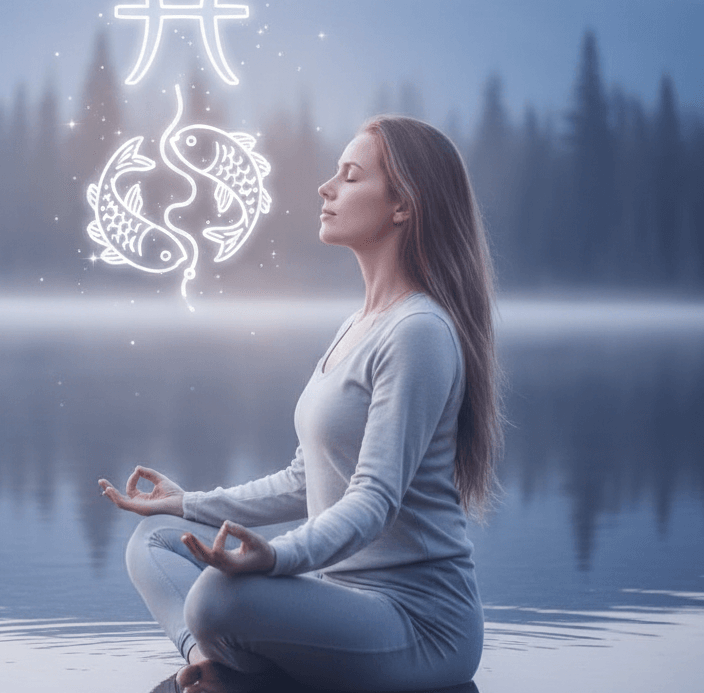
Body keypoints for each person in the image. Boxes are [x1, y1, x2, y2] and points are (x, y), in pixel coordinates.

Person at [99, 115, 503, 693]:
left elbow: (374, 500)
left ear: (403, 206)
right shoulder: (358, 325)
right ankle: (213, 665)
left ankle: (240, 670)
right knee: (156, 538)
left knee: (216, 596)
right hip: (340, 600)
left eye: (350, 176)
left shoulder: (418, 332)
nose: (326, 188)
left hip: (419, 627)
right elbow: (302, 478)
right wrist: (189, 502)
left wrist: (275, 559)